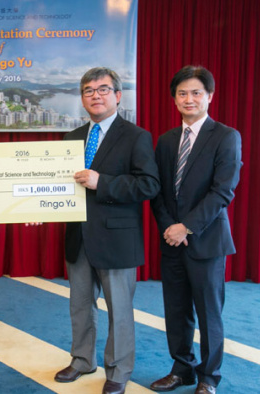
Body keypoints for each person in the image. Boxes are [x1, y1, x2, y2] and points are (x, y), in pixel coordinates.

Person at [54, 67, 160, 394]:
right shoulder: (71, 138)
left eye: (103, 89)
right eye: (88, 90)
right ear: (82, 98)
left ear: (117, 95)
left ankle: (118, 370)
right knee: (79, 306)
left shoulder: (136, 136)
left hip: (117, 238)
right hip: (79, 237)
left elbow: (149, 185)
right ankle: (82, 360)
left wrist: (105, 183)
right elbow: (56, 187)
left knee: (120, 311)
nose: (95, 95)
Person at [149, 65, 242, 394]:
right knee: (176, 310)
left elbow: (222, 192)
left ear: (210, 97)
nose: (189, 99)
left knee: (208, 313)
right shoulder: (165, 140)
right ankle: (182, 369)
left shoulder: (226, 137)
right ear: (174, 100)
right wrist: (170, 229)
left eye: (196, 93)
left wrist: (186, 227)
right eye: (182, 93)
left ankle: (208, 377)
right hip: (171, 242)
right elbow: (157, 191)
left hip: (207, 241)